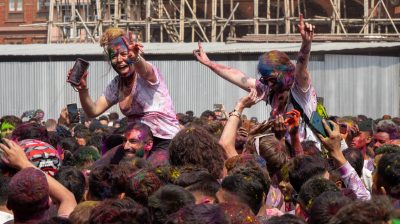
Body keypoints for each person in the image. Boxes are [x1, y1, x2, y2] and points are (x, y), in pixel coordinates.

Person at [194, 14, 320, 148]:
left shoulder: (299, 89)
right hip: (287, 155)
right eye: (265, 80)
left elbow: (301, 68)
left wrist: (306, 43)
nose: (269, 84)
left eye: (272, 79)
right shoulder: (269, 90)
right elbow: (236, 75)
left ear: (285, 73)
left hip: (309, 155)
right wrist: (209, 63)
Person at [68, 27, 180, 150]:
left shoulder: (146, 75)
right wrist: (82, 89)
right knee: (109, 146)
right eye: (114, 56)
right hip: (136, 143)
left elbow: (145, 70)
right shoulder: (117, 84)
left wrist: (136, 58)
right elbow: (93, 111)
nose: (120, 60)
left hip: (164, 141)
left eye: (124, 54)